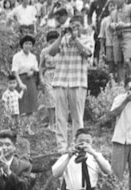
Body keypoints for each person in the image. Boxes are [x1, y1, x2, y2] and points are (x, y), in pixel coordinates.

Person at [48, 19, 93, 153]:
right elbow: (51, 52)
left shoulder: (87, 38)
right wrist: (61, 35)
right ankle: (61, 147)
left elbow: (87, 52)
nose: (74, 28)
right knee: (60, 116)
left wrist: (76, 38)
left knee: (77, 117)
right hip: (61, 80)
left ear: (81, 27)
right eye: (72, 26)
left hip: (78, 82)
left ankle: (77, 145)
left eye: (77, 26)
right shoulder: (63, 39)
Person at [11, 35, 39, 132]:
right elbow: (14, 71)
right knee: (21, 105)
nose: (28, 46)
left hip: (30, 81)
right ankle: (20, 128)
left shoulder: (33, 57)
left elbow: (36, 69)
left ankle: (28, 127)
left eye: (30, 44)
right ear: (22, 45)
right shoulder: (17, 56)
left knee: (30, 106)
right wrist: (20, 83)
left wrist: (32, 72)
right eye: (26, 43)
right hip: (20, 79)